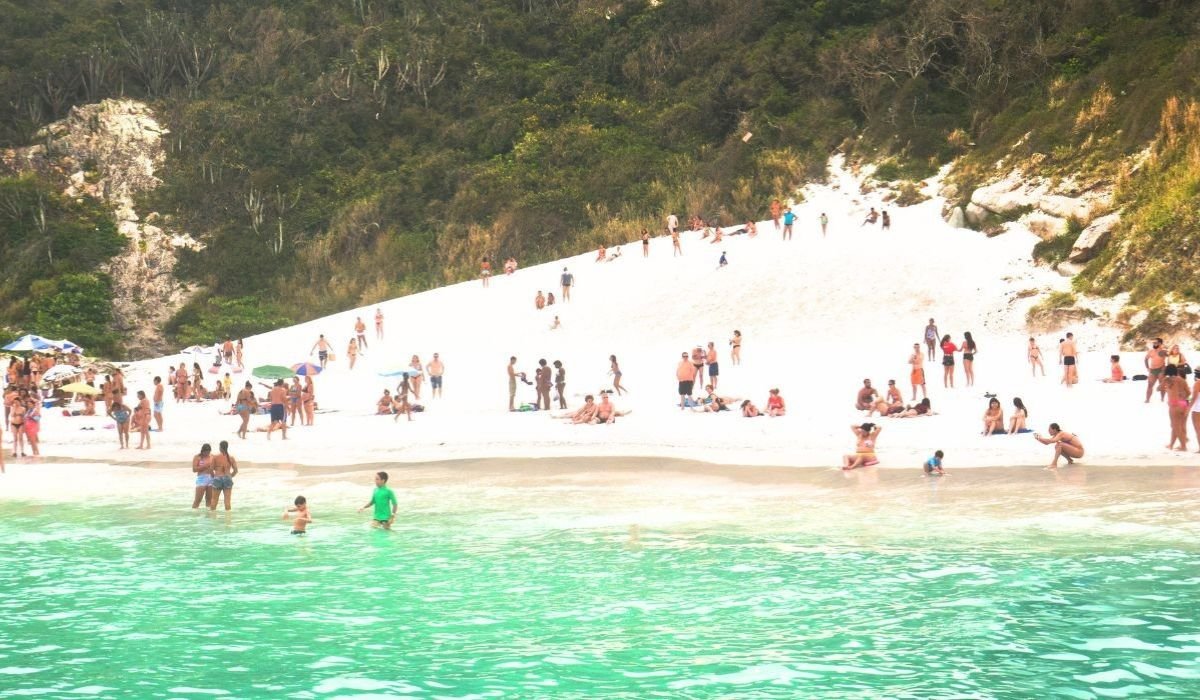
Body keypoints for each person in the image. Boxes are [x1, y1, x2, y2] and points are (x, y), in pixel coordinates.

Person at [1164, 365, 1191, 451]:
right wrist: (1182, 396)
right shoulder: (1182, 380)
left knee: (1175, 426)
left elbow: (1158, 388)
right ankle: (1172, 444)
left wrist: (1166, 388)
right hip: (1184, 403)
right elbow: (1188, 393)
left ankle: (1183, 446)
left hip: (1175, 404)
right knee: (1179, 425)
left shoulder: (1167, 380)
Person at [210, 441, 239, 511]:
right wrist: (230, 477)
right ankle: (228, 519)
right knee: (227, 501)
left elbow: (211, 470)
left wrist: (214, 477)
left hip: (217, 478)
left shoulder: (215, 457)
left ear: (220, 447)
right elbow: (235, 471)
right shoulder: (231, 458)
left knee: (214, 500)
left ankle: (212, 518)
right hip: (227, 478)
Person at [1144, 337, 1167, 402]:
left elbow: (1170, 358)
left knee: (1162, 385)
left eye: (1156, 342)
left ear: (1160, 343)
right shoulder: (1151, 351)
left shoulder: (1163, 351)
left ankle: (1162, 399)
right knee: (1149, 385)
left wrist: (1165, 368)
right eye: (1153, 342)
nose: (1154, 343)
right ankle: (1147, 400)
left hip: (1161, 370)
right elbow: (1146, 359)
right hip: (1152, 370)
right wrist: (1147, 368)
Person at [192, 443, 214, 509]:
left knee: (209, 500)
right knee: (197, 500)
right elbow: (194, 469)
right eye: (206, 452)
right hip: (202, 478)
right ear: (203, 451)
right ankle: (194, 515)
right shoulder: (197, 457)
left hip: (211, 478)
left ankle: (209, 516)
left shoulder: (212, 456)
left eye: (208, 452)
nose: (207, 453)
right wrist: (205, 466)